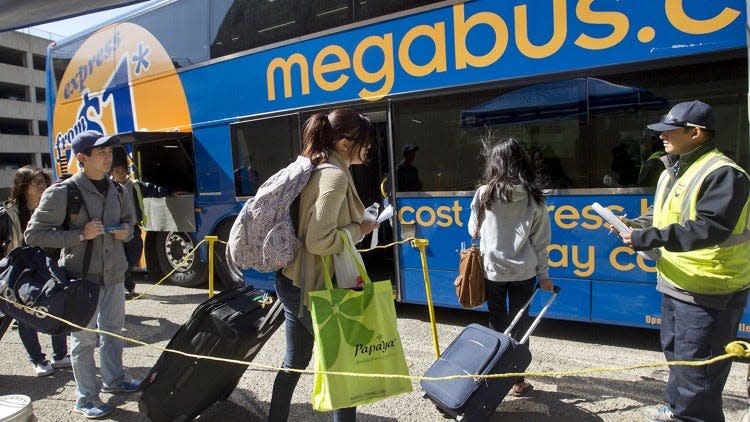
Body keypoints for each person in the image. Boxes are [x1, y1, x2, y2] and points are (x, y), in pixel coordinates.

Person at [615, 101, 750, 422]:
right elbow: (663, 214)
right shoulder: (674, 168)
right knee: (678, 358)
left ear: (696, 133)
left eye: (668, 131)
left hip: (709, 290)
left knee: (698, 373)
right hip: (677, 282)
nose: (661, 137)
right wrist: (636, 225)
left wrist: (646, 239)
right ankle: (675, 410)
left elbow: (710, 227)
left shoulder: (724, 174)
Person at [268, 109, 378, 422]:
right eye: (365, 143)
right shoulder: (335, 175)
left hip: (293, 280)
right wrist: (361, 230)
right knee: (344, 369)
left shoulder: (317, 166)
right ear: (345, 142)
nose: (368, 149)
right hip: (315, 287)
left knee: (296, 359)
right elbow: (318, 240)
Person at [25, 130, 139, 419]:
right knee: (84, 341)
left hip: (114, 276)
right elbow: (34, 235)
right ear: (81, 158)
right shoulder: (63, 192)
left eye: (109, 151)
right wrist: (80, 235)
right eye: (100, 152)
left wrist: (127, 233)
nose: (108, 156)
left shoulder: (120, 190)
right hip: (81, 280)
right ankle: (86, 398)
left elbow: (130, 225)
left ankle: (114, 381)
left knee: (113, 333)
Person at [467, 135, 555, 397]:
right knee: (520, 326)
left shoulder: (484, 194)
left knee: (497, 323)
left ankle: (497, 377)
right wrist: (545, 276)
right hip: (524, 272)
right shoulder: (534, 198)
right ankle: (518, 381)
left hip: (492, 270)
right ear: (522, 163)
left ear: (494, 163)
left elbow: (474, 229)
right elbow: (540, 243)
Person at [0, 165, 70, 377]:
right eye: (36, 182)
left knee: (58, 309)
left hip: (48, 266)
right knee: (25, 315)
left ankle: (60, 356)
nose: (42, 186)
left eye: (43, 182)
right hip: (19, 272)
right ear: (23, 186)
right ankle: (37, 360)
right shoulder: (8, 214)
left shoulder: (50, 207)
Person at [110, 151, 171, 298]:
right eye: (117, 171)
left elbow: (153, 189)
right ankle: (126, 287)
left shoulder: (135, 186)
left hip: (133, 227)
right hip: (115, 230)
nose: (121, 174)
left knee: (134, 255)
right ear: (111, 172)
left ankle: (126, 284)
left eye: (124, 171)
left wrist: (170, 191)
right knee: (121, 258)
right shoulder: (108, 188)